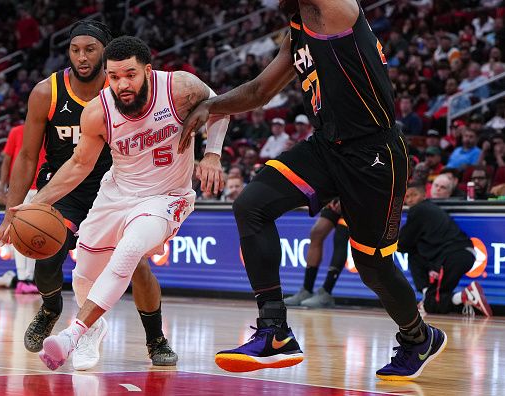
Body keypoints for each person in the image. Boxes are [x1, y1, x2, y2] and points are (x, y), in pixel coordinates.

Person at [180, 0, 446, 379]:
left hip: (374, 152)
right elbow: (258, 91)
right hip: (326, 147)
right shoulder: (298, 31)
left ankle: (418, 337)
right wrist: (211, 105)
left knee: (373, 266)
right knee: (251, 206)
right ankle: (274, 330)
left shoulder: (337, 9)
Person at [0, 21, 178, 369]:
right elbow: (28, 156)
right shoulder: (47, 92)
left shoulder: (123, 88)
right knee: (45, 255)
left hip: (117, 188)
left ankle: (156, 339)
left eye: (90, 49)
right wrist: (12, 211)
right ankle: (50, 307)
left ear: (106, 53)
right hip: (66, 186)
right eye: (75, 49)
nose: (82, 57)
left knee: (136, 265)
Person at [29, 36, 228, 371]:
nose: (121, 83)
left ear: (147, 71)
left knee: (130, 247)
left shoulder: (179, 88)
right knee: (83, 275)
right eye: (113, 76)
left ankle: (73, 334)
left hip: (166, 197)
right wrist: (37, 202)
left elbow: (220, 104)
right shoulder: (97, 111)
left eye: (130, 75)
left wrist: (212, 154)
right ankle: (94, 326)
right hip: (117, 194)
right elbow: (79, 165)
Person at [400, 183, 492, 316]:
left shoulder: (418, 210)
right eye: (407, 196)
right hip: (461, 254)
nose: (410, 199)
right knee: (415, 257)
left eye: (414, 195)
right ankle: (436, 297)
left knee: (431, 305)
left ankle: (465, 295)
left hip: (453, 255)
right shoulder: (430, 210)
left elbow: (402, 244)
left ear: (425, 195)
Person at [0, 124, 46, 294]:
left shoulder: (49, 129)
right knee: (19, 234)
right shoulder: (16, 131)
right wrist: (2, 189)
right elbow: (7, 161)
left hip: (45, 188)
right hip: (20, 188)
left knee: (37, 235)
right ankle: (23, 278)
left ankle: (30, 278)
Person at [284, 199, 348, 308]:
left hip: (357, 197)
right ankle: (307, 289)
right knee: (317, 232)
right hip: (340, 195)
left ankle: (326, 292)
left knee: (340, 236)